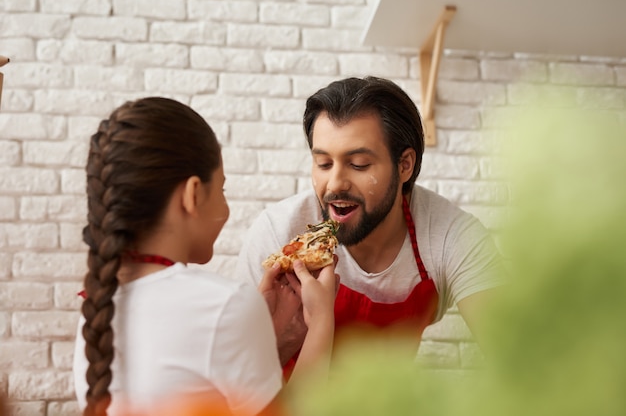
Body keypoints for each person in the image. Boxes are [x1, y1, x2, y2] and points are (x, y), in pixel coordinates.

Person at [72, 97, 338, 416]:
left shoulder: (95, 313)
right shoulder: (224, 305)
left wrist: (265, 343)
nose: (225, 208)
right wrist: (322, 321)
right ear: (193, 193)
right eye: (221, 190)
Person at [235, 76, 507, 367]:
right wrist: (286, 337)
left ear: (405, 165)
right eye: (324, 164)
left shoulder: (450, 237)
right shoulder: (279, 234)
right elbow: (234, 383)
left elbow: (521, 362)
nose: (335, 184)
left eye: (359, 165)